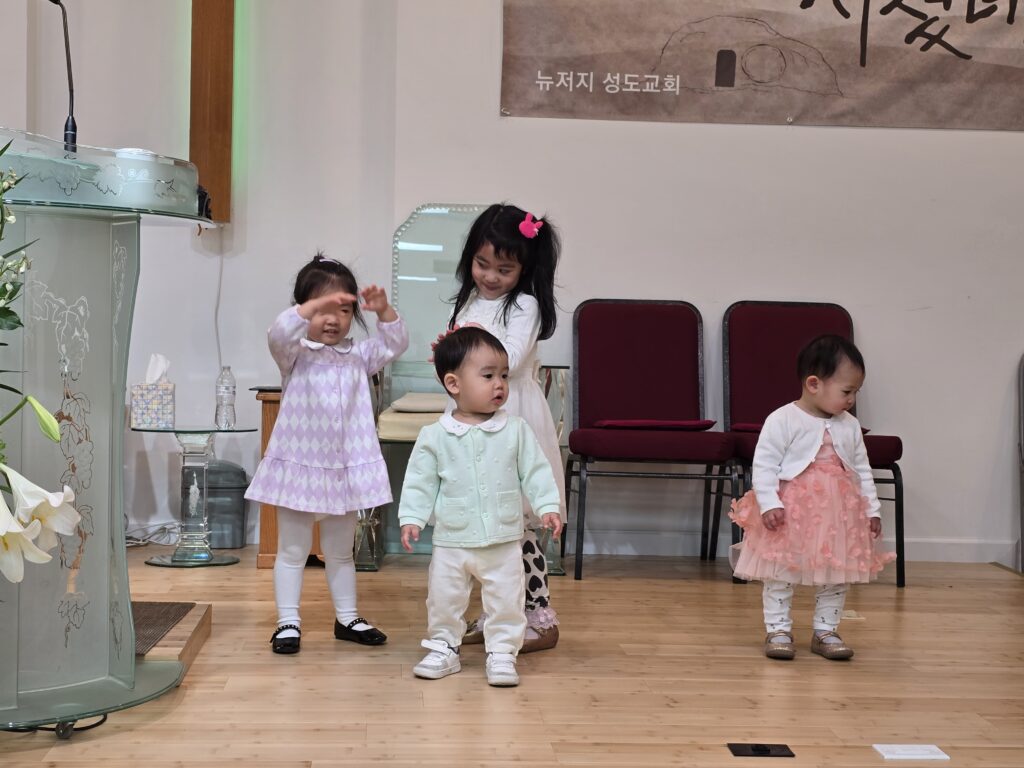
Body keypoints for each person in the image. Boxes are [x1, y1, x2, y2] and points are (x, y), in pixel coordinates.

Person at [246, 253, 409, 655]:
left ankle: (347, 617)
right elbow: (277, 333)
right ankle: (287, 621)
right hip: (300, 468)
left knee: (340, 552)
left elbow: (396, 342)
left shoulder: (360, 356)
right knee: (292, 550)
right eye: (321, 309)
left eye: (343, 310)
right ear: (303, 309)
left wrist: (384, 310)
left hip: (345, 471)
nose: (332, 319)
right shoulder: (294, 354)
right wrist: (309, 309)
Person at [400, 327, 563, 686]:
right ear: (454, 383)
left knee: (506, 598)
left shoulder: (516, 430)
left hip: (503, 538)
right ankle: (444, 647)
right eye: (488, 376)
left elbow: (536, 471)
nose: (499, 384)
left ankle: (503, 652)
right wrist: (412, 517)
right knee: (444, 598)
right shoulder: (435, 435)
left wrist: (548, 505)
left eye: (503, 376)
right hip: (452, 540)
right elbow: (419, 482)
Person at [443, 203, 564, 653]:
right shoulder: (468, 301)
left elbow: (506, 359)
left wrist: (462, 354)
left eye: (504, 269)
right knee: (485, 527)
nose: (490, 276)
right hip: (473, 416)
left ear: (524, 269)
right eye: (482, 264)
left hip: (511, 414)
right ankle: (499, 613)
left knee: (518, 525)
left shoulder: (525, 306)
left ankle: (539, 618)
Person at [729, 335, 895, 661]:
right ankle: (778, 629)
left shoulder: (849, 425)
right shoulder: (783, 419)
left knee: (836, 573)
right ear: (814, 384)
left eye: (856, 392)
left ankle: (826, 630)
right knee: (781, 571)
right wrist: (770, 503)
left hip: (838, 515)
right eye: (846, 391)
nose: (852, 400)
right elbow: (765, 465)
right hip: (791, 513)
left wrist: (871, 510)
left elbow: (861, 469)